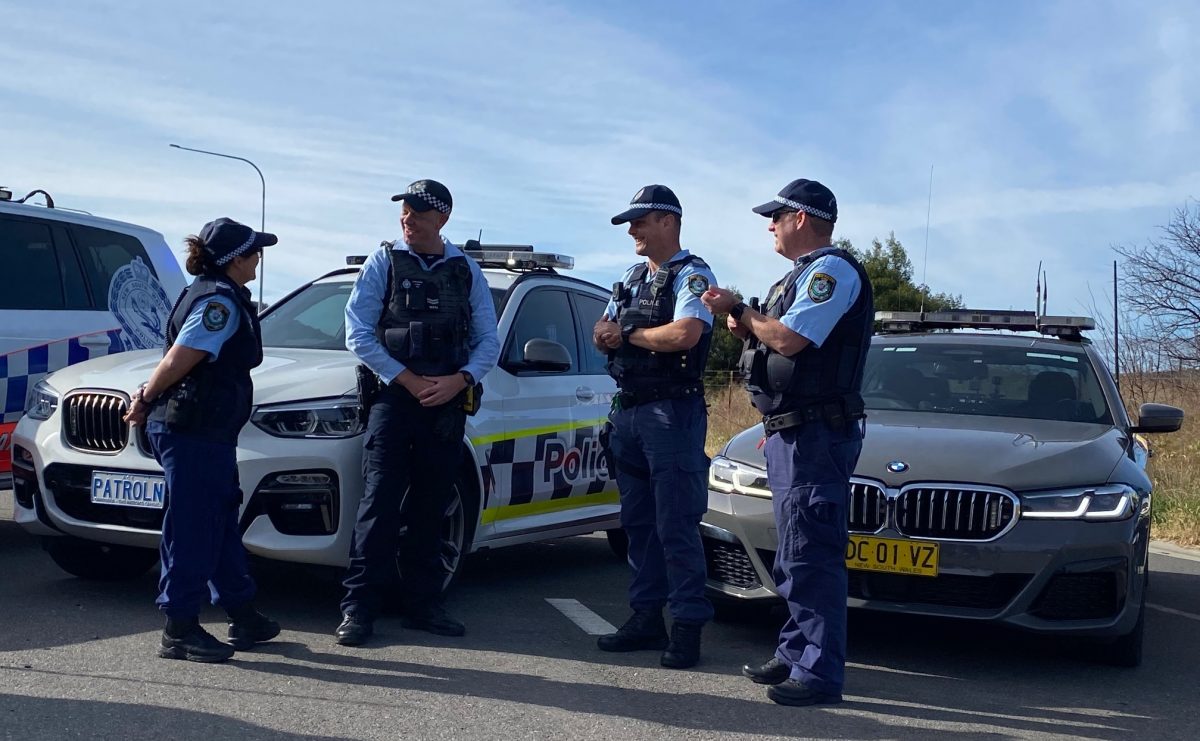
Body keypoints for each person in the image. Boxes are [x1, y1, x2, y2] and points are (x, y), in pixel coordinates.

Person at [701, 179, 873, 706]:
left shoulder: (830, 271)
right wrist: (743, 320)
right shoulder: (795, 277)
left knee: (811, 554)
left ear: (802, 217)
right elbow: (768, 339)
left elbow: (790, 339)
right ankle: (796, 651)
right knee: (794, 551)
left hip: (817, 433)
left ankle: (818, 674)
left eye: (776, 216)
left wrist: (743, 312)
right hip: (793, 430)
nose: (769, 225)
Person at [335, 179, 499, 646]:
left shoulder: (466, 271)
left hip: (446, 401)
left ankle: (424, 604)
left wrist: (460, 380)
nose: (407, 220)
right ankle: (358, 609)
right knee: (378, 504)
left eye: (418, 213)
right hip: (395, 399)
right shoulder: (383, 261)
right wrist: (405, 378)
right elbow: (358, 333)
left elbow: (488, 340)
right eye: (404, 212)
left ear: (442, 218)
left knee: (433, 506)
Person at [123, 217, 281, 663]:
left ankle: (242, 610)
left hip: (206, 429)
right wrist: (145, 396)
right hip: (192, 428)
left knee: (219, 519)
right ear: (234, 261)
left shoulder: (216, 293)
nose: (259, 259)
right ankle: (180, 627)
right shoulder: (220, 304)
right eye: (253, 252)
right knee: (193, 526)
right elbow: (180, 358)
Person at [592, 184, 718, 669]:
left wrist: (627, 334)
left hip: (672, 414)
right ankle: (646, 617)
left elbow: (685, 333)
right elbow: (601, 332)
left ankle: (687, 626)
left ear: (668, 222)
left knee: (676, 523)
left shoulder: (693, 276)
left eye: (640, 221)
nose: (632, 231)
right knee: (638, 523)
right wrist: (620, 336)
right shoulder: (629, 277)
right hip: (629, 413)